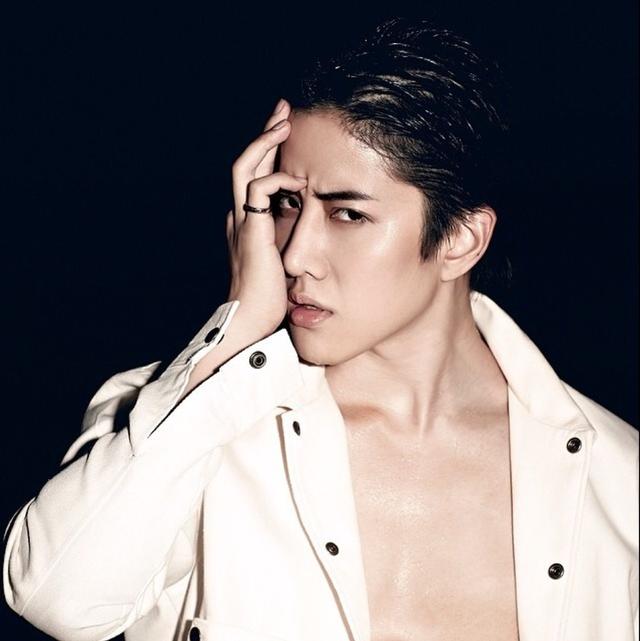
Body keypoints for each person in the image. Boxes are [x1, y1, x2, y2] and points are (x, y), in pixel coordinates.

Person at [3, 17, 638, 641]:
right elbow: (57, 600)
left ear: (460, 240)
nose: (294, 255)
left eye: (348, 214)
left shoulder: (615, 478)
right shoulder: (187, 422)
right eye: (286, 204)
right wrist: (232, 341)